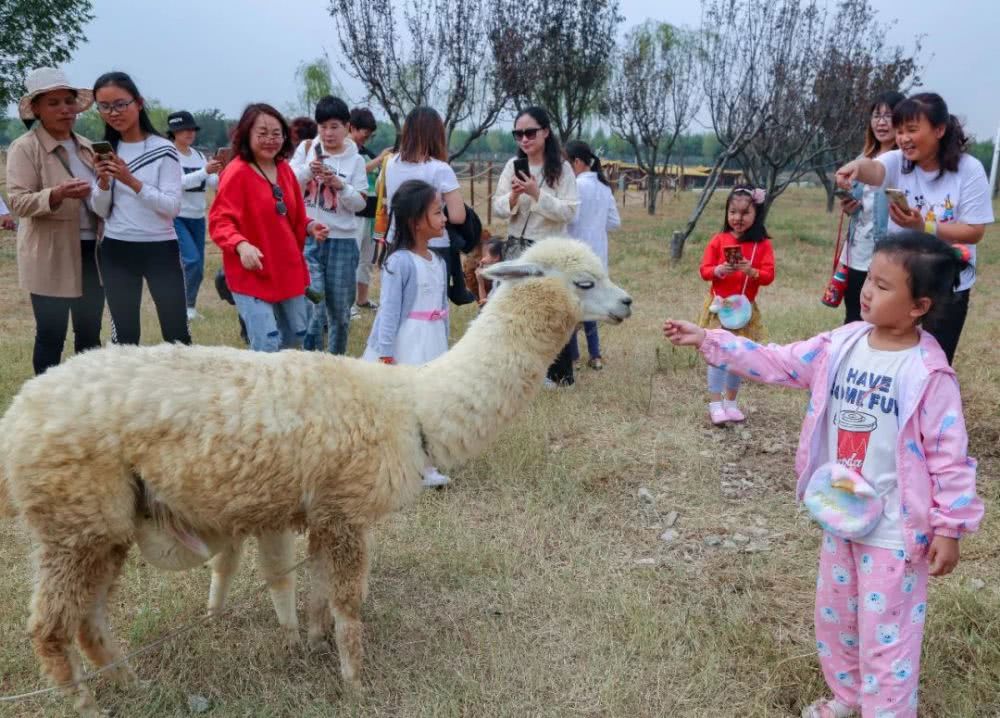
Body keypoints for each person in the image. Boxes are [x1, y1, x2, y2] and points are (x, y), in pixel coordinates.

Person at [664, 232, 982, 718]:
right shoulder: (843, 342)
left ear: (919, 305)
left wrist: (950, 527)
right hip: (840, 510)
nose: (867, 291)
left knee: (887, 633)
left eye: (882, 285)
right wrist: (711, 339)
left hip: (895, 531)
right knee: (838, 619)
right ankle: (848, 696)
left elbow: (949, 456)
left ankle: (887, 710)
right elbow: (779, 361)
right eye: (868, 279)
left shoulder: (927, 373)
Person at [835, 92, 994, 364]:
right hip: (900, 281)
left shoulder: (969, 170)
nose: (903, 138)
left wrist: (925, 226)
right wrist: (855, 168)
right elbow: (874, 168)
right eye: (899, 132)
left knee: (934, 360)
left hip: (945, 282)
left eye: (911, 130)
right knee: (888, 355)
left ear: (939, 130)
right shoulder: (898, 161)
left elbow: (974, 231)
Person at [5, 67, 104, 375]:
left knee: (89, 336)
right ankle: (44, 405)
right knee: (51, 334)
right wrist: (57, 194)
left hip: (93, 251)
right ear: (36, 109)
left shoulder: (89, 146)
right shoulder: (25, 147)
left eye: (68, 101)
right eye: (53, 103)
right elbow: (19, 202)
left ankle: (86, 403)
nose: (65, 109)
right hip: (50, 253)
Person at [209, 103, 329, 352]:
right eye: (262, 133)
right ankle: (261, 387)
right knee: (267, 342)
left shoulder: (284, 169)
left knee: (296, 335)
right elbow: (221, 221)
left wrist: (309, 226)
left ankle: (282, 385)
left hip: (286, 269)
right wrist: (241, 246)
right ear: (247, 134)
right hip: (252, 272)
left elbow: (292, 214)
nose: (270, 140)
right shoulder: (237, 172)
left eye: (276, 133)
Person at [90, 71, 190, 346]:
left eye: (121, 104)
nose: (114, 112)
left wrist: (131, 180)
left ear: (139, 102)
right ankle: (125, 388)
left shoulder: (164, 149)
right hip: (117, 248)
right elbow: (100, 209)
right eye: (105, 106)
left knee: (177, 334)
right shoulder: (106, 150)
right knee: (124, 336)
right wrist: (104, 181)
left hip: (160, 248)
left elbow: (171, 207)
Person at [362, 180, 451, 487]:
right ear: (416, 221)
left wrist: (447, 345)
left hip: (433, 340)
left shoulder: (438, 261)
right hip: (407, 342)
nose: (444, 219)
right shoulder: (399, 263)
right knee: (404, 405)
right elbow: (388, 311)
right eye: (438, 213)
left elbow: (442, 309)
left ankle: (424, 464)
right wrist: (386, 351)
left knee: (429, 404)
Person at [492, 106, 578, 387]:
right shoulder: (511, 166)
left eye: (529, 132)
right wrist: (515, 197)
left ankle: (560, 375)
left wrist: (537, 194)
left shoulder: (562, 169)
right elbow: (499, 208)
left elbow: (569, 212)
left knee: (552, 312)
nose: (524, 139)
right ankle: (519, 372)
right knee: (516, 312)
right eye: (518, 134)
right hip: (517, 247)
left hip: (548, 250)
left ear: (546, 132)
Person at [290, 95, 368, 354]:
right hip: (310, 239)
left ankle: (336, 360)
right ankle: (310, 357)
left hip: (343, 243)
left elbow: (360, 204)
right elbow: (288, 185)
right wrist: (307, 172)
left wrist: (340, 185)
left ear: (347, 127)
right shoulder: (307, 148)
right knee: (316, 302)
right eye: (323, 126)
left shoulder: (356, 161)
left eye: (334, 126)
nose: (328, 133)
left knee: (340, 312)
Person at [696, 185, 776, 425]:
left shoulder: (762, 245)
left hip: (744, 310)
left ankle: (731, 403)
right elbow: (704, 270)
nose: (737, 218)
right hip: (720, 309)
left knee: (737, 357)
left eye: (744, 213)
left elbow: (769, 275)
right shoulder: (719, 240)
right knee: (718, 355)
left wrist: (751, 271)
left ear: (756, 214)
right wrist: (718, 270)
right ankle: (715, 404)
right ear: (726, 213)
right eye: (733, 212)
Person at [383, 106, 473, 305]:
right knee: (430, 310)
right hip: (433, 246)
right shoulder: (440, 169)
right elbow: (458, 216)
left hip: (397, 242)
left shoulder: (391, 163)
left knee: (399, 305)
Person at [836, 91, 906, 324]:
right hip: (857, 251)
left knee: (878, 318)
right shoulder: (862, 158)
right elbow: (863, 206)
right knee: (853, 316)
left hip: (884, 252)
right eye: (877, 116)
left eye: (889, 116)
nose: (882, 122)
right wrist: (850, 206)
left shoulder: (904, 162)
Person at [565, 139, 620, 371]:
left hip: (576, 255)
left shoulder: (576, 186)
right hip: (598, 257)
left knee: (571, 307)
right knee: (590, 306)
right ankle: (595, 355)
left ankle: (574, 356)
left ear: (576, 162)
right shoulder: (604, 187)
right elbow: (614, 222)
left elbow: (571, 218)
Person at [167, 110, 222, 321]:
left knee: (198, 265)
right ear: (173, 132)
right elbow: (176, 184)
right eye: (184, 129)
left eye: (192, 129)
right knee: (191, 260)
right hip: (177, 216)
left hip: (198, 217)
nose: (189, 133)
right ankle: (181, 305)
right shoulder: (169, 154)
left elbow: (213, 183)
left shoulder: (199, 155)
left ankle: (189, 306)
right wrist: (205, 171)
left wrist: (221, 172)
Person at [348, 106, 389, 313]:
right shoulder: (346, 151)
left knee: (366, 259)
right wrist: (380, 159)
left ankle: (361, 299)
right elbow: (358, 171)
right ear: (352, 128)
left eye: (369, 135)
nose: (366, 138)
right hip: (353, 215)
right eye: (364, 133)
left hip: (370, 214)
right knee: (351, 259)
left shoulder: (365, 152)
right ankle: (347, 304)